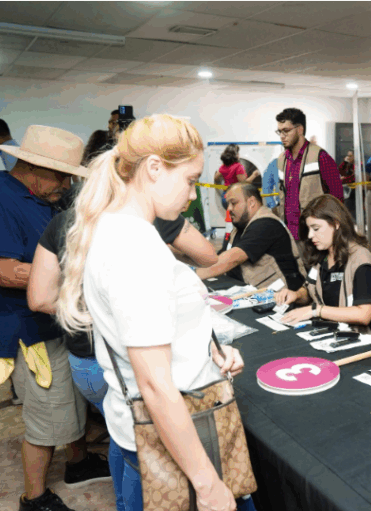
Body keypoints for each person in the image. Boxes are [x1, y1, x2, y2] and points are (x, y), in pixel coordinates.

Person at [56, 114, 255, 511]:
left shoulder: (114, 230)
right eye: (189, 180)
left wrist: (209, 353)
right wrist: (207, 483)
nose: (193, 195)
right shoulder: (137, 251)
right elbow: (156, 387)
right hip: (179, 446)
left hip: (139, 433)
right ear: (153, 168)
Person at [0, 125, 110, 511]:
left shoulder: (42, 198)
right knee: (46, 418)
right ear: (32, 167)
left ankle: (79, 463)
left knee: (70, 400)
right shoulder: (2, 198)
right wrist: (75, 274)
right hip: (30, 330)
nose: (65, 184)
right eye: (61, 175)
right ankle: (35, 498)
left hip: (57, 320)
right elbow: (5, 269)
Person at [29, 207, 218, 418]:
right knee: (147, 438)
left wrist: (95, 311)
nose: (190, 196)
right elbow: (208, 256)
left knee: (127, 435)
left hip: (87, 362)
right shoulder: (152, 213)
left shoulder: (64, 221)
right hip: (140, 361)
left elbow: (40, 299)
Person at [275, 195, 371, 335]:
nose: (310, 235)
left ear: (336, 224)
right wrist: (296, 295)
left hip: (360, 338)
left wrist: (317, 310)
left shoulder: (361, 259)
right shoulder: (321, 256)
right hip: (330, 332)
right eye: (309, 229)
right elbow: (309, 289)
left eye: (316, 228)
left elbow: (364, 315)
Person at [196, 182, 305, 290]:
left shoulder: (266, 224)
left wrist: (192, 275)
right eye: (228, 204)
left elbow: (232, 259)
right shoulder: (241, 227)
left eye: (233, 203)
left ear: (251, 202)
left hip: (284, 296)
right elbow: (221, 256)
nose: (228, 209)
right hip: (250, 290)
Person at [275, 108, 343, 241]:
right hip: (289, 234)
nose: (282, 136)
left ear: (300, 129)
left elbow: (337, 198)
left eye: (286, 131)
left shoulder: (321, 157)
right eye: (279, 131)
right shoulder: (282, 159)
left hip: (314, 236)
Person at [215, 144, 247, 210]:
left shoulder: (223, 166)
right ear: (235, 155)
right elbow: (244, 183)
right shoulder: (238, 166)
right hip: (236, 196)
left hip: (225, 197)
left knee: (232, 217)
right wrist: (254, 175)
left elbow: (216, 178)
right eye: (238, 153)